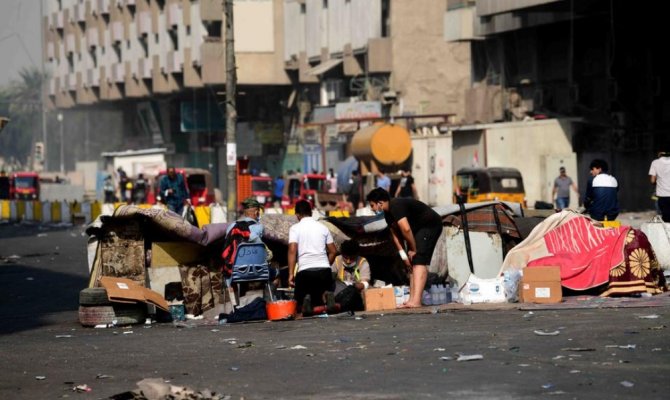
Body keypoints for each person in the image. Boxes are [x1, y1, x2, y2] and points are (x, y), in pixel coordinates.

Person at [366, 187, 442, 308]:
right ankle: (412, 299)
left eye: (372, 205)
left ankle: (416, 301)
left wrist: (413, 249)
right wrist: (404, 256)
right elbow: (396, 236)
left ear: (380, 203)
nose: (372, 209)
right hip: (417, 230)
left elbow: (405, 229)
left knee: (418, 261)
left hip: (430, 225)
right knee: (411, 264)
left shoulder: (396, 205)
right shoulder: (387, 214)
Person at [288, 200, 338, 316]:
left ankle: (305, 299)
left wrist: (291, 274)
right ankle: (326, 294)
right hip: (324, 273)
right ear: (311, 213)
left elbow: (292, 251)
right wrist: (326, 263)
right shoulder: (323, 228)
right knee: (320, 290)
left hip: (305, 273)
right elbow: (333, 251)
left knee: (299, 301)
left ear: (297, 215)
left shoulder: (295, 228)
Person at [331, 239, 370, 312]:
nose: (348, 261)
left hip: (355, 295)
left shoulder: (363, 262)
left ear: (357, 255)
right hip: (339, 293)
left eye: (351, 258)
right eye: (345, 258)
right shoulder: (337, 260)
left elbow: (365, 283)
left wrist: (353, 286)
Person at [649, 151, 670, 222]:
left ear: (659, 154)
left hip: (663, 195)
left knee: (665, 217)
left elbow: (652, 180)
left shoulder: (655, 162)